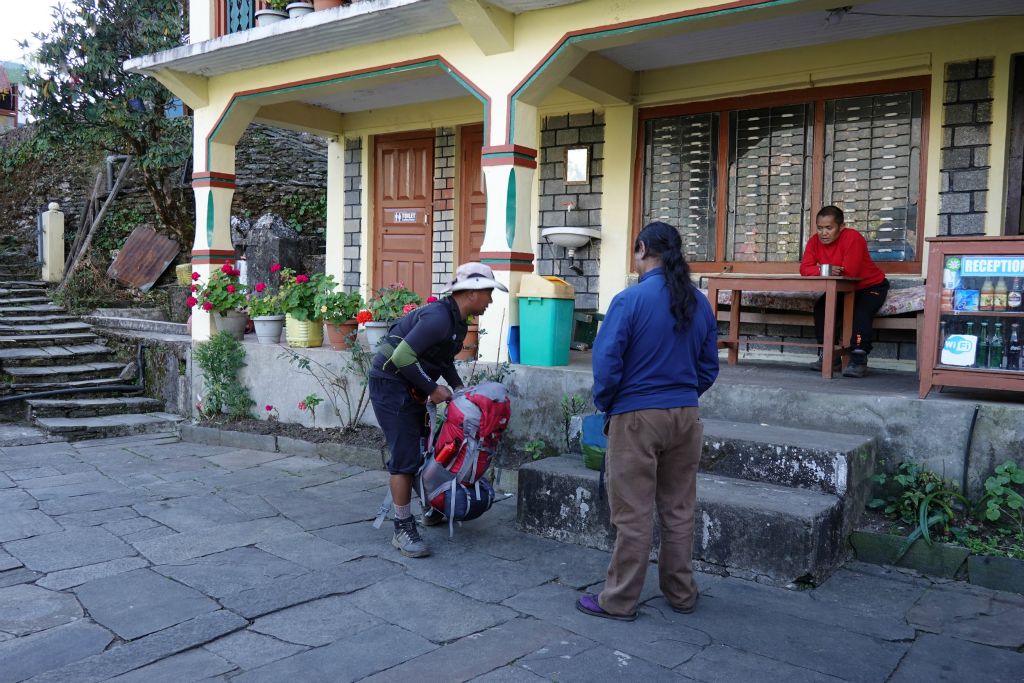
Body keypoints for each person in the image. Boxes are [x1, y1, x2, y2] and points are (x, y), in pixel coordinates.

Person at [576, 222, 719, 622]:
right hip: (686, 416)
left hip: (637, 416)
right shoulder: (699, 302)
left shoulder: (630, 300)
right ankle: (682, 594)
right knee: (678, 510)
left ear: (641, 249)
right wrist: (685, 396)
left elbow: (606, 366)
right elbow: (709, 367)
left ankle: (619, 601)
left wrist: (610, 405)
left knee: (633, 515)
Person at [368, 262, 507, 558]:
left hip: (410, 385)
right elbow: (401, 355)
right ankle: (402, 527)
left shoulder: (455, 321)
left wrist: (457, 389)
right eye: (488, 294)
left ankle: (432, 504)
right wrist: (433, 389)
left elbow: (441, 360)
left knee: (424, 450)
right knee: (405, 457)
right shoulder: (438, 318)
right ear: (471, 292)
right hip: (391, 386)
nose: (491, 300)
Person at [800, 205, 889, 378]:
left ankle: (858, 358)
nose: (823, 233)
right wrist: (823, 271)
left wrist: (822, 269)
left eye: (829, 228)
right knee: (821, 308)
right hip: (839, 288)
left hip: (870, 286)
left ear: (841, 227)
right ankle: (828, 355)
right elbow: (804, 268)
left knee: (860, 312)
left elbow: (850, 272)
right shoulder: (814, 241)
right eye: (820, 228)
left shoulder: (853, 238)